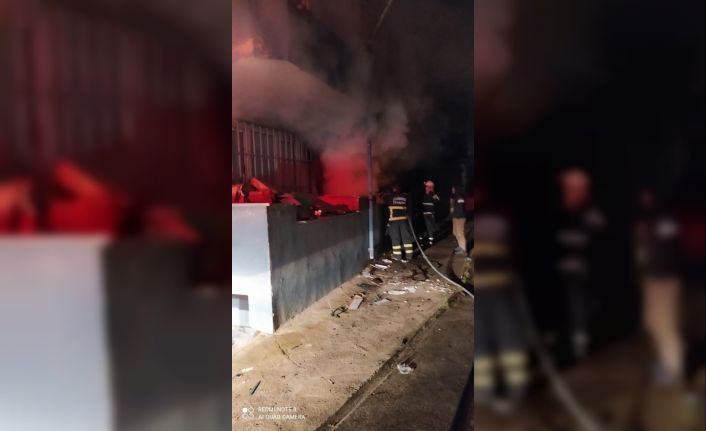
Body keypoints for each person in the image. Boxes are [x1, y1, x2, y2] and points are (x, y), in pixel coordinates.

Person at [473, 186, 529, 411]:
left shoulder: (494, 222)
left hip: (496, 290)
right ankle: (511, 390)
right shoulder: (501, 221)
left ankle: (498, 391)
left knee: (495, 340)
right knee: (501, 339)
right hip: (499, 291)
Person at [635, 188, 684, 385]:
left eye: (649, 196)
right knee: (651, 322)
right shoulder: (649, 221)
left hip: (665, 279)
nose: (644, 200)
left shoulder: (666, 221)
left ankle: (672, 368)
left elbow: (667, 249)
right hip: (652, 278)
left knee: (666, 326)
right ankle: (663, 363)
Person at [555, 167, 605, 359]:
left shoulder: (590, 215)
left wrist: (562, 239)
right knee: (574, 305)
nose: (568, 193)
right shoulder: (566, 213)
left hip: (582, 270)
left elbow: (589, 242)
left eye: (572, 189)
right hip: (567, 269)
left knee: (580, 305)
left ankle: (581, 342)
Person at [385, 184, 414, 262]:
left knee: (395, 239)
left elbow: (380, 201)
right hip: (404, 221)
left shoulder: (390, 196)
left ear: (393, 189)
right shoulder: (405, 196)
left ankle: (397, 257)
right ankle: (409, 256)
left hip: (393, 221)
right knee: (406, 238)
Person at [421, 180, 440, 245]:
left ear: (430, 187)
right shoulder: (424, 194)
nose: (425, 187)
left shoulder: (433, 194)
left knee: (430, 226)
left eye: (426, 186)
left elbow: (437, 201)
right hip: (424, 213)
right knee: (427, 226)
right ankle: (428, 238)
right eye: (425, 186)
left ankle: (431, 240)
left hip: (430, 213)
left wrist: (433, 194)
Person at [450, 184, 467, 255]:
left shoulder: (459, 197)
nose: (452, 190)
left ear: (456, 189)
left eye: (453, 188)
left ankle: (463, 248)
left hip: (460, 217)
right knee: (455, 232)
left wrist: (458, 216)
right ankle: (460, 246)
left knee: (460, 233)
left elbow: (461, 208)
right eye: (452, 189)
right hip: (455, 217)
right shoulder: (454, 197)